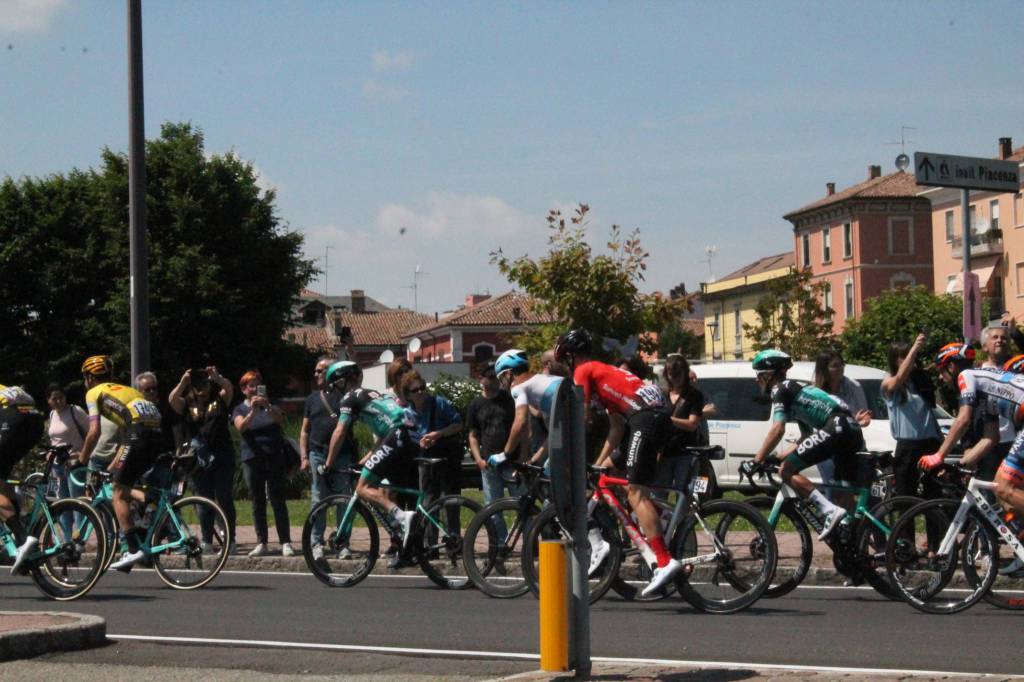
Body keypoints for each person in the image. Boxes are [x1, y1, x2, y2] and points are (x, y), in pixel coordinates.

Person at [554, 329, 677, 597]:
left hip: (645, 419)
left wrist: (567, 454)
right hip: (651, 418)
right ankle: (659, 516)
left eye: (565, 361)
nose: (566, 367)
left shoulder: (583, 371)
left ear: (571, 357)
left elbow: (580, 418)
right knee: (609, 473)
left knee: (635, 491)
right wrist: (598, 463)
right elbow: (616, 429)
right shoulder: (604, 373)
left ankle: (664, 561)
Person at [744, 349, 865, 542]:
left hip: (837, 426)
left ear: (769, 375)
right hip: (850, 430)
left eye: (758, 375)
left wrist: (756, 460)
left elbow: (778, 429)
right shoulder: (796, 392)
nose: (756, 381)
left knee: (786, 470)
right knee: (844, 496)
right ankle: (855, 545)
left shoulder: (780, 389)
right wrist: (778, 456)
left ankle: (828, 511)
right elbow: (807, 436)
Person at [78, 355, 163, 572]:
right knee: (124, 482)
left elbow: (94, 431)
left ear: (89, 377)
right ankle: (150, 501)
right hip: (155, 435)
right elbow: (125, 436)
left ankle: (133, 549)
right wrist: (113, 465)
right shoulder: (129, 391)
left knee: (118, 493)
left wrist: (81, 460)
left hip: (137, 435)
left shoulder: (93, 392)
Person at [321, 361, 418, 550]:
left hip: (396, 436)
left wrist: (328, 463)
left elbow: (340, 431)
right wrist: (362, 462)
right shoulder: (374, 394)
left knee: (362, 487)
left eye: (336, 384)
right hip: (405, 438)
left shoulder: (350, 397)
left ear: (344, 381)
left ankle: (403, 518)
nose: (336, 389)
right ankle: (404, 546)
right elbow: (381, 441)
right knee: (383, 491)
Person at [169, 366, 237, 554]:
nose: (201, 387)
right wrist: (183, 382)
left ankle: (230, 541)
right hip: (198, 458)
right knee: (203, 499)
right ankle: (207, 540)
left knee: (224, 498)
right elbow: (172, 400)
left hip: (222, 455)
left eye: (204, 382)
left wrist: (217, 378)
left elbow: (229, 389)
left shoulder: (219, 399)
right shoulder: (187, 403)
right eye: (197, 383)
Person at [232, 370, 293, 558]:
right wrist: (252, 411)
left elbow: (281, 419)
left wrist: (267, 406)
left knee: (278, 499)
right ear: (243, 389)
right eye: (251, 385)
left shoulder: (271, 405)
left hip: (274, 455)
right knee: (257, 500)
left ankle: (285, 542)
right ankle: (262, 542)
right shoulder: (239, 409)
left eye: (258, 384)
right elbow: (241, 427)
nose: (254, 388)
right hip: (252, 457)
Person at [300, 356, 354, 561]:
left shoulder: (345, 396)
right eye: (315, 371)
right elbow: (305, 430)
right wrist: (304, 456)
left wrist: (349, 350)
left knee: (344, 499)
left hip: (343, 455)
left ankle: (342, 543)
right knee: (318, 499)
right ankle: (316, 543)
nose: (316, 374)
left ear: (331, 373)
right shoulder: (312, 399)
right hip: (317, 453)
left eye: (320, 370)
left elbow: (357, 376)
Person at [880, 335, 943, 498]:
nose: (911, 359)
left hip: (929, 443)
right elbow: (897, 380)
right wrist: (914, 349)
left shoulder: (920, 379)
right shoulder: (889, 381)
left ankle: (936, 522)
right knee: (905, 495)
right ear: (895, 361)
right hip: (908, 445)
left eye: (912, 355)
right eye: (905, 356)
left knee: (933, 493)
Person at [466, 363, 517, 540]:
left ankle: (529, 542)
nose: (494, 381)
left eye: (496, 377)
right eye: (490, 377)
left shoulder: (508, 399)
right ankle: (499, 543)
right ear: (481, 379)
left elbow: (520, 427)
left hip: (512, 459)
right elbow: (473, 434)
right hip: (489, 462)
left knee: (520, 501)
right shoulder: (476, 404)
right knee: (493, 508)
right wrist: (478, 458)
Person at [401, 370, 464, 510]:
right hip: (425, 461)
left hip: (446, 458)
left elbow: (458, 424)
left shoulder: (439, 403)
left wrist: (439, 434)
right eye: (415, 390)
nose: (420, 392)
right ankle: (430, 533)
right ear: (408, 394)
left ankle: (452, 532)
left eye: (422, 388)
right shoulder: (407, 414)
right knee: (428, 502)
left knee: (450, 501)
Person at [1, 383, 44, 575]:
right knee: (2, 481)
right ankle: (23, 548)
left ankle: (22, 537)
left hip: (11, 419)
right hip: (34, 419)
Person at [813, 350, 870, 494]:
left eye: (841, 365)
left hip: (852, 445)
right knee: (834, 494)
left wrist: (858, 421)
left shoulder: (853, 386)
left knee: (862, 492)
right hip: (827, 449)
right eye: (835, 366)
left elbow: (864, 416)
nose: (840, 369)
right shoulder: (816, 392)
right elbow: (816, 423)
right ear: (824, 369)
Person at [657, 356, 706, 498]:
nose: (674, 378)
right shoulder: (662, 394)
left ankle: (686, 519)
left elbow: (692, 425)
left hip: (686, 453)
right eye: (671, 374)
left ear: (685, 372)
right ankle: (663, 520)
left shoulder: (694, 395)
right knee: (658, 494)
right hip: (664, 453)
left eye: (678, 374)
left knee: (686, 495)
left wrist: (668, 420)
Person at [45, 383, 89, 503]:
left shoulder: (75, 411)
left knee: (77, 501)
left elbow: (92, 432)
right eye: (54, 399)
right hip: (56, 464)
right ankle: (65, 523)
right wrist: (50, 452)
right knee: (60, 501)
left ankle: (80, 522)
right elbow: (55, 438)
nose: (59, 401)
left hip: (74, 462)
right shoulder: (52, 414)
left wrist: (83, 454)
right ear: (48, 400)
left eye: (61, 397)